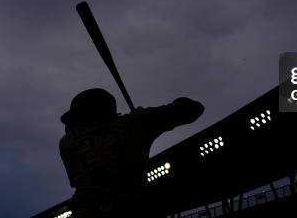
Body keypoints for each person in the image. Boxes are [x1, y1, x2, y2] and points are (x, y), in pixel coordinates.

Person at [59, 88, 204, 217]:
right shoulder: (134, 123)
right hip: (129, 206)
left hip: (84, 211)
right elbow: (194, 109)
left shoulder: (66, 143)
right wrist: (145, 116)